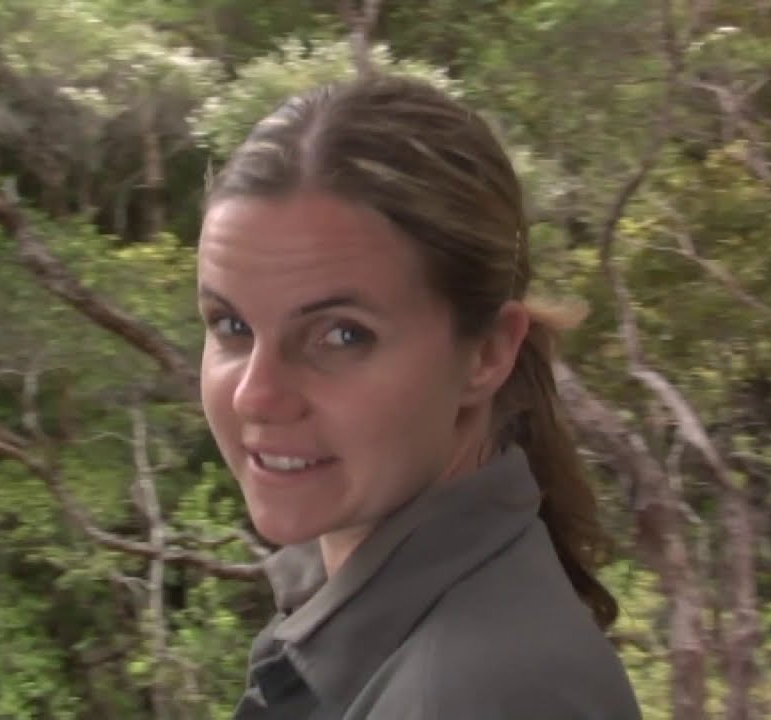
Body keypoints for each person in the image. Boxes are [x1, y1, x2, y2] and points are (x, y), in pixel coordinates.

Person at [196, 74, 642, 719]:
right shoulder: (378, 633)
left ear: (487, 352)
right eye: (231, 327)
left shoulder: (482, 695)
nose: (256, 397)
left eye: (341, 336)